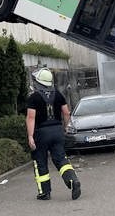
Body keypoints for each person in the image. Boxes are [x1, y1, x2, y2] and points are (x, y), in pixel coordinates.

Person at [25, 67, 81, 201]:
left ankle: (45, 192)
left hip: (41, 133)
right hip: (57, 131)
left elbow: (31, 117)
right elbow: (66, 113)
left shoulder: (34, 97)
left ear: (38, 82)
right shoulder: (58, 94)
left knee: (40, 162)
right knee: (61, 159)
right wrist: (65, 127)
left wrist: (30, 136)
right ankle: (72, 180)